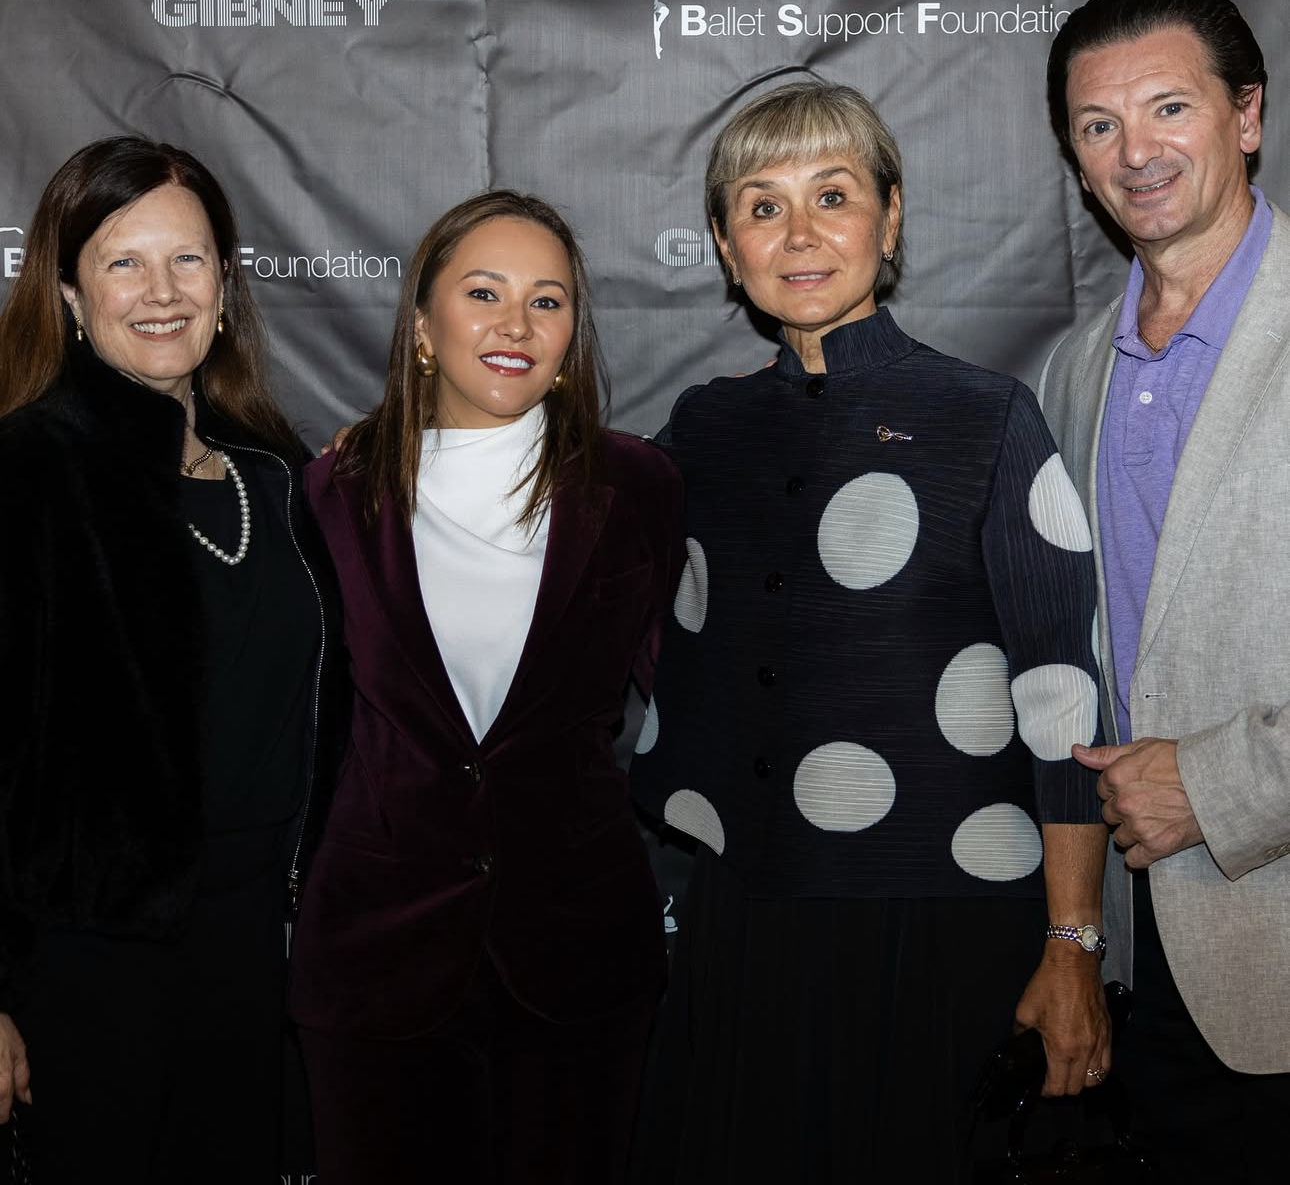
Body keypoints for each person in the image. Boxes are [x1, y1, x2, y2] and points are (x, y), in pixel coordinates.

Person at [629, 80, 1111, 1183]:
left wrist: (1075, 942)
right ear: (722, 242)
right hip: (746, 918)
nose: (798, 233)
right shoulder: (698, 432)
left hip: (936, 926)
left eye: (832, 195)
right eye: (761, 204)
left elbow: (1061, 697)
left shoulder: (987, 417)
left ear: (888, 222)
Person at [288, 190, 685, 1184]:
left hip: (580, 953)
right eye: (483, 292)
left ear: (571, 334)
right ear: (423, 328)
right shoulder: (334, 492)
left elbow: (693, 690)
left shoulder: (640, 489)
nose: (516, 325)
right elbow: (306, 721)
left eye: (547, 301)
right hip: (375, 956)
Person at [0, 136, 340, 1181]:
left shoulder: (279, 474)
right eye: (122, 262)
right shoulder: (28, 471)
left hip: (255, 954)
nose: (161, 292)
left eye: (187, 261)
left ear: (226, 289)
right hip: (85, 968)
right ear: (67, 292)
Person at [1040, 0, 1290, 1183]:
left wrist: (1222, 784)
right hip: (1146, 971)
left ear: (1246, 115)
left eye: (1169, 109)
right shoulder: (1069, 373)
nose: (1134, 153)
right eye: (1098, 125)